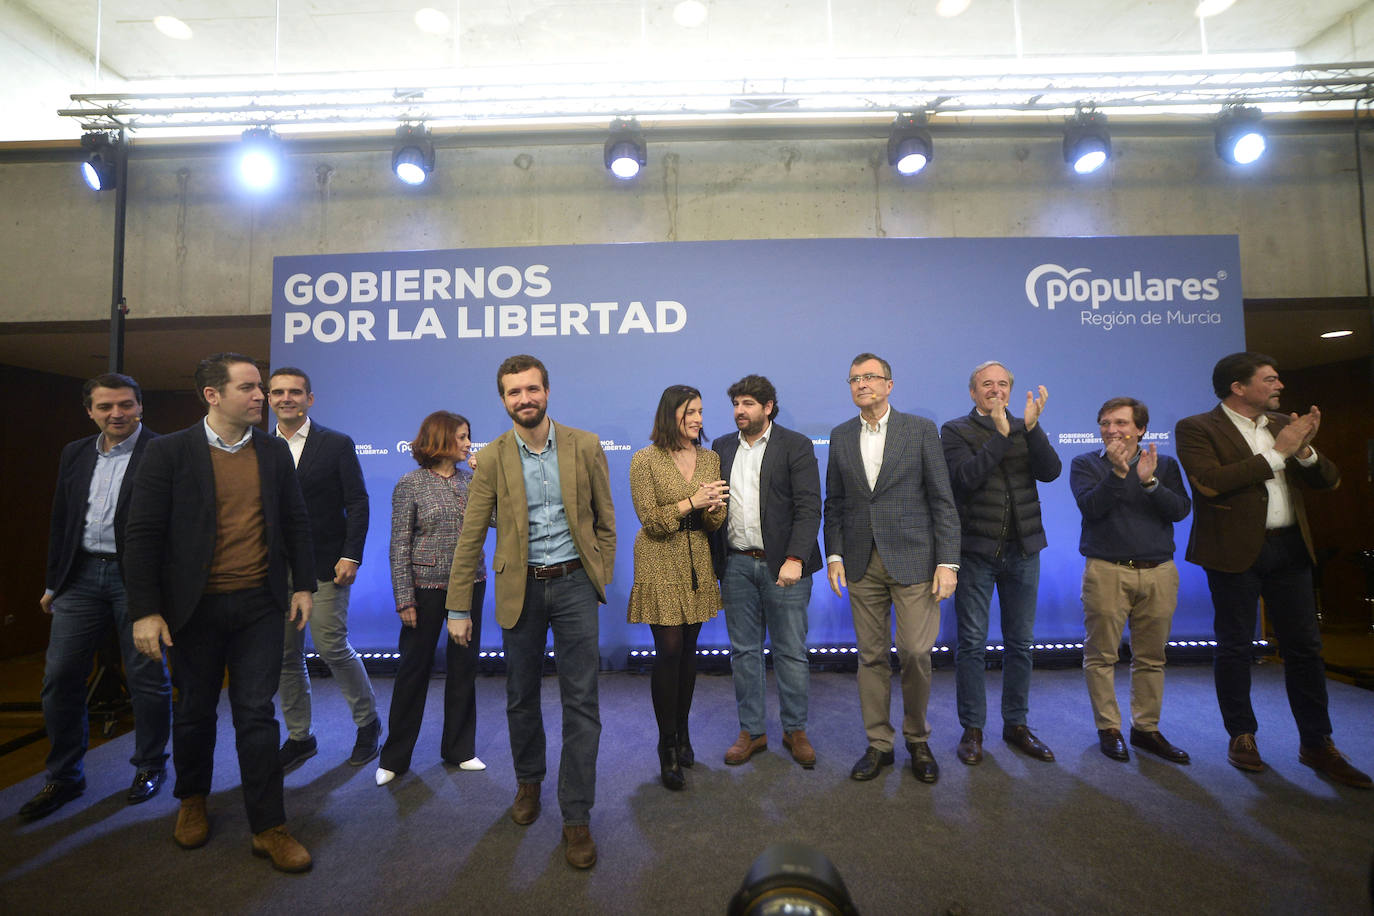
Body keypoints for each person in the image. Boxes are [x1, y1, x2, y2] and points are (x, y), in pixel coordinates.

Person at [125, 353, 316, 873]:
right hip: (194, 608)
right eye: (250, 388)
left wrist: (304, 586)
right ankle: (192, 800)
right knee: (194, 711)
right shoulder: (168, 453)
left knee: (257, 714)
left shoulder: (274, 453)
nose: (262, 397)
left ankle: (269, 826)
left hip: (259, 604)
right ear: (212, 395)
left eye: (261, 388)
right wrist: (145, 610)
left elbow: (296, 524)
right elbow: (141, 536)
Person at [445, 355, 616, 869]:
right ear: (503, 400)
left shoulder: (584, 445)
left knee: (581, 702)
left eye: (532, 389)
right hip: (519, 590)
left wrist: (598, 574)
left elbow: (606, 521)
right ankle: (529, 783)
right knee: (520, 697)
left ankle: (577, 815)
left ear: (547, 391)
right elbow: (472, 532)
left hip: (574, 588)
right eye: (514, 392)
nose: (525, 399)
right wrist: (457, 605)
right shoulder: (493, 456)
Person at [1175, 352, 1369, 787]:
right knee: (1235, 646)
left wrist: (1304, 450)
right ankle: (1242, 735)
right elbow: (1210, 482)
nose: (1279, 385)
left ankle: (1318, 743)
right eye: (1270, 379)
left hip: (1290, 551)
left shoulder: (1285, 425)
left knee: (1305, 649)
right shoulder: (1197, 428)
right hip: (1233, 553)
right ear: (1238, 387)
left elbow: (1330, 480)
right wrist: (1278, 455)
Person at [21, 373, 172, 822]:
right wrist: (54, 582)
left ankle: (149, 766)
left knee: (147, 677)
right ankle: (65, 776)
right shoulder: (75, 453)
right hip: (80, 576)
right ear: (90, 411)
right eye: (105, 407)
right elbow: (63, 520)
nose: (116, 414)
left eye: (125, 405)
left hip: (138, 581)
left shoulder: (164, 451)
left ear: (140, 406)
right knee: (61, 676)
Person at [824, 353, 960, 784]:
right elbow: (836, 504)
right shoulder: (841, 435)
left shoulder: (920, 430)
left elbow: (942, 500)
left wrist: (948, 562)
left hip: (916, 560)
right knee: (871, 657)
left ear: (889, 385)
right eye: (854, 379)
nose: (861, 384)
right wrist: (835, 555)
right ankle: (879, 744)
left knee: (917, 653)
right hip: (862, 562)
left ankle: (918, 739)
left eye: (870, 377)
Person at [941, 360, 1062, 766]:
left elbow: (1051, 471)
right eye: (987, 384)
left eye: (1003, 384)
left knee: (1020, 645)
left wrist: (1032, 427)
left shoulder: (1025, 425)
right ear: (973, 393)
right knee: (972, 646)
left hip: (1024, 551)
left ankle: (1016, 725)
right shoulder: (955, 430)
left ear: (1012, 389)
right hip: (976, 552)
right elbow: (965, 479)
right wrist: (1000, 435)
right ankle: (972, 729)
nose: (996, 390)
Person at [267, 367, 380, 772]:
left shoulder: (335, 444)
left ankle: (368, 723)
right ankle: (300, 737)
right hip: (276, 571)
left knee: (331, 646)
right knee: (285, 655)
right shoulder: (258, 447)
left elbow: (359, 502)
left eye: (295, 392)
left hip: (327, 564)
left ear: (309, 399)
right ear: (269, 399)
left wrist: (352, 554)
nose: (286, 398)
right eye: (278, 392)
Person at [710, 375, 822, 770]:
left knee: (790, 651)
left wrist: (795, 557)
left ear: (768, 407)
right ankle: (752, 731)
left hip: (785, 566)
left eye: (748, 404)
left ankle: (795, 729)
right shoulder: (722, 446)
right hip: (737, 564)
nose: (740, 411)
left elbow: (810, 508)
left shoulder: (796, 445)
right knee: (744, 652)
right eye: (736, 404)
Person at [1070, 397, 1191, 764]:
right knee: (1101, 656)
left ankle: (1146, 729)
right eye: (1105, 423)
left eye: (1121, 423)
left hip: (1158, 572)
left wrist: (1150, 482)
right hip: (1107, 570)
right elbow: (1092, 507)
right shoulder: (1086, 464)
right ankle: (1109, 728)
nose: (1112, 430)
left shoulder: (1163, 464)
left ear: (1140, 429)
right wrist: (1119, 474)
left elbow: (1180, 510)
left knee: (1152, 657)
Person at [375, 411, 487, 785]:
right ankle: (394, 757)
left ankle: (459, 749)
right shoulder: (411, 484)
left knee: (464, 667)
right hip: (424, 590)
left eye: (469, 436)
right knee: (413, 671)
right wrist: (404, 597)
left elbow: (502, 519)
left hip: (471, 585)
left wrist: (488, 478)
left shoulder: (474, 483)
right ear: (441, 439)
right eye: (462, 436)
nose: (469, 443)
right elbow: (399, 544)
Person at [627, 385, 728, 790]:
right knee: (668, 650)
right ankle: (666, 745)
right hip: (658, 558)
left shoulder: (710, 457)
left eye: (701, 411)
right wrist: (692, 502)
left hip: (697, 559)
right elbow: (651, 520)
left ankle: (683, 733)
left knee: (688, 652)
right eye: (690, 412)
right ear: (670, 415)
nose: (698, 419)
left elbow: (714, 523)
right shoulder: (644, 460)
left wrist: (716, 510)